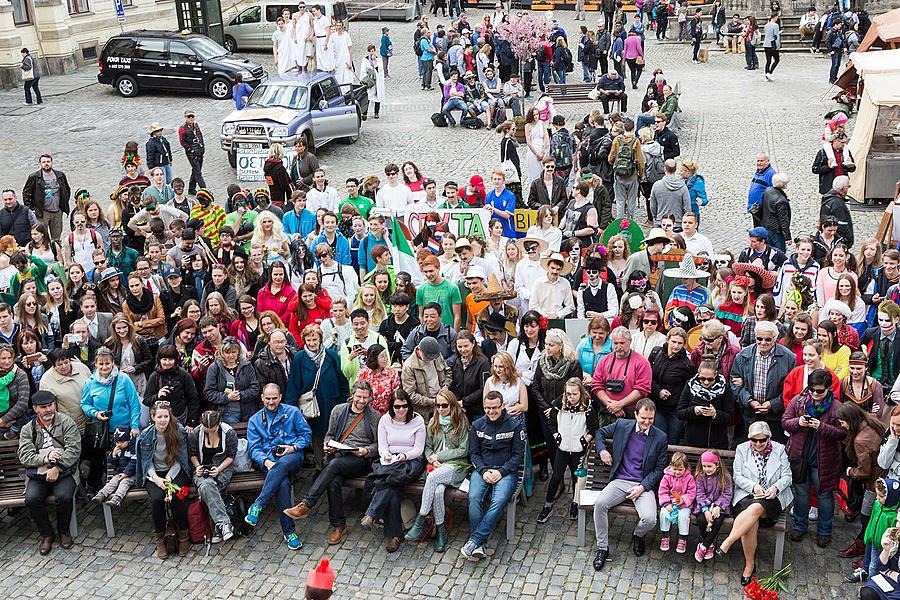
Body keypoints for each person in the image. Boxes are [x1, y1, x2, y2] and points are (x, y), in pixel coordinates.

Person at [283, 380, 380, 544]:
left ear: (370, 397)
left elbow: (379, 444)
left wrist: (366, 451)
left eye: (365, 397)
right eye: (358, 396)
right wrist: (328, 445)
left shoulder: (375, 417)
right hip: (339, 455)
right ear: (352, 395)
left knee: (333, 466)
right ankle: (339, 525)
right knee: (333, 481)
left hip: (360, 460)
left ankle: (306, 504)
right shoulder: (338, 410)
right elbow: (329, 435)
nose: (361, 401)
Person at [591, 398, 668, 571]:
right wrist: (602, 450)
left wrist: (642, 487)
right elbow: (599, 433)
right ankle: (602, 547)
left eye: (651, 419)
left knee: (649, 519)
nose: (647, 422)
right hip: (620, 480)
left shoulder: (660, 437)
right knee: (600, 504)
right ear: (635, 415)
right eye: (643, 418)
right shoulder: (621, 425)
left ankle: (637, 535)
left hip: (642, 484)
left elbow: (660, 468)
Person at [245, 383, 312, 550]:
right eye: (267, 398)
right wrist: (267, 463)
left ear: (280, 397)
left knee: (284, 464)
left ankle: (258, 504)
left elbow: (306, 435)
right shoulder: (254, 420)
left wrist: (293, 447)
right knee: (282, 483)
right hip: (268, 462)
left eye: (274, 398)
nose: (271, 402)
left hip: (292, 457)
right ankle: (289, 532)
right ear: (262, 398)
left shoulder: (293, 412)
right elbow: (254, 449)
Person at [782, 368, 843, 547]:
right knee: (801, 494)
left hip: (824, 460)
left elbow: (842, 433)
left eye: (820, 391)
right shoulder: (799, 401)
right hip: (800, 457)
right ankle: (800, 526)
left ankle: (824, 530)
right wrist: (798, 422)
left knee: (825, 496)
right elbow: (785, 421)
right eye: (812, 390)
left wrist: (821, 427)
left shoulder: (836, 407)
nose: (815, 394)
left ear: (827, 389)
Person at [461, 390, 525, 560]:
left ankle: (475, 540)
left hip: (506, 472)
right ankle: (479, 545)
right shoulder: (477, 425)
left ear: (502, 406)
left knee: (498, 501)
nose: (491, 412)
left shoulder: (514, 425)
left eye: (495, 408)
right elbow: (473, 454)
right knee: (474, 498)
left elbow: (518, 456)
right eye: (487, 408)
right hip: (482, 470)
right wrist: (483, 471)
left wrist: (501, 471)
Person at [404, 389, 471, 551]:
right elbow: (427, 448)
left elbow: (463, 451)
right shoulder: (433, 422)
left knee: (432, 478)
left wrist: (439, 457)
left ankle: (420, 520)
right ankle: (441, 532)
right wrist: (433, 460)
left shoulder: (461, 422)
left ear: (452, 405)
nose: (440, 409)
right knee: (438, 492)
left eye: (444, 405)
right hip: (436, 467)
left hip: (456, 466)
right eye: (438, 405)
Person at [360, 391, 426, 552]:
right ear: (392, 407)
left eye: (404, 406)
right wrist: (387, 455)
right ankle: (396, 535)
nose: (401, 410)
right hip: (390, 461)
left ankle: (372, 513)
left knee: (388, 480)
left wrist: (404, 455)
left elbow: (418, 449)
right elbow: (382, 446)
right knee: (392, 487)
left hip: (411, 461)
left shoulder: (417, 421)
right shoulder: (385, 420)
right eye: (397, 406)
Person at [17, 390, 80, 555]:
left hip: (64, 471)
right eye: (43, 407)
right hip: (38, 474)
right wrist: (45, 459)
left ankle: (64, 532)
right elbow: (25, 456)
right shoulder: (27, 429)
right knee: (31, 499)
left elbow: (74, 450)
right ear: (35, 408)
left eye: (50, 405)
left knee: (64, 496)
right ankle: (46, 535)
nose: (48, 410)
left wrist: (57, 468)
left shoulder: (67, 422)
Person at [285, 323, 349, 468]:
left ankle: (335, 469)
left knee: (334, 437)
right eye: (309, 340)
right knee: (317, 438)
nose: (312, 343)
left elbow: (342, 381)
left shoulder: (331, 355)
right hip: (312, 409)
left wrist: (342, 402)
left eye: (315, 339)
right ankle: (321, 468)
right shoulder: (299, 358)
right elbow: (294, 385)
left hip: (332, 405)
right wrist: (292, 409)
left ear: (320, 339)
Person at [135, 400, 192, 559]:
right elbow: (146, 463)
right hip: (154, 473)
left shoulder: (178, 431)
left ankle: (183, 536)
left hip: (174, 470)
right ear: (152, 417)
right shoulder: (146, 436)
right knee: (158, 499)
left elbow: (181, 459)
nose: (163, 420)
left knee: (176, 496)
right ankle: (160, 539)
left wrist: (169, 477)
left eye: (166, 416)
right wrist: (156, 479)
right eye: (159, 416)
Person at [538, 378, 598, 523]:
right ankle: (548, 505)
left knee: (577, 477)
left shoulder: (588, 408)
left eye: (574, 394)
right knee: (556, 477)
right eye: (568, 394)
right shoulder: (558, 405)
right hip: (563, 448)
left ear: (581, 393)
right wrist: (556, 436)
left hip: (578, 450)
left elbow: (594, 428)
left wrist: (585, 440)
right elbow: (551, 423)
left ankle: (575, 503)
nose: (571, 397)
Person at [730, 320, 795, 442]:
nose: (763, 342)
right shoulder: (743, 355)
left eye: (768, 339)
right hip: (750, 414)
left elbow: (791, 389)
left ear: (775, 338)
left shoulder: (789, 358)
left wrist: (773, 404)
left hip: (776, 416)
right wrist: (749, 401)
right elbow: (734, 384)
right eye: (759, 338)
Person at [189, 410, 238, 543]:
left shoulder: (229, 433)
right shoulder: (196, 433)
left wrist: (219, 469)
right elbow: (193, 454)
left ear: (219, 424)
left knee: (209, 488)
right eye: (206, 430)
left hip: (223, 467)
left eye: (212, 430)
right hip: (202, 467)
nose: (209, 433)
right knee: (207, 485)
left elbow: (231, 457)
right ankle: (224, 524)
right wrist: (198, 466)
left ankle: (218, 528)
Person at [590, 326, 653, 419]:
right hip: (606, 410)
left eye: (622, 343)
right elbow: (596, 385)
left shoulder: (642, 362)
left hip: (630, 413)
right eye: (616, 343)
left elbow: (642, 390)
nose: (619, 347)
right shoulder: (604, 360)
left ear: (630, 341)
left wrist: (620, 404)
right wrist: (611, 405)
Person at [204, 336, 261, 425]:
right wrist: (227, 397)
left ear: (238, 352)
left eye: (234, 352)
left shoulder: (247, 365)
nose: (231, 355)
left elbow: (255, 388)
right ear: (221, 352)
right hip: (226, 412)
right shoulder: (214, 368)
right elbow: (209, 393)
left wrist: (240, 395)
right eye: (227, 352)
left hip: (248, 411)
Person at [693, 449, 734, 562]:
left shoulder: (725, 476)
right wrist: (705, 509)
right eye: (704, 466)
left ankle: (704, 546)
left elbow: (727, 494)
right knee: (701, 519)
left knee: (717, 520)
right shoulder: (700, 476)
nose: (706, 469)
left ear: (717, 464)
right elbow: (699, 493)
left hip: (719, 506)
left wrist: (718, 506)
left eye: (709, 466)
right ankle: (709, 545)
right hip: (703, 505)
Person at [22, 154, 71, 242]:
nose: (46, 164)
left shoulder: (60, 175)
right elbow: (26, 193)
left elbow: (67, 190)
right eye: (44, 162)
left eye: (48, 162)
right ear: (40, 164)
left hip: (57, 211)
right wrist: (31, 208)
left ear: (52, 162)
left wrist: (63, 203)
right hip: (42, 212)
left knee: (56, 239)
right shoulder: (34, 177)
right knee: (42, 238)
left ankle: (56, 254)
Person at [401, 337, 450, 420]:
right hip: (425, 412)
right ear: (419, 350)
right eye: (427, 357)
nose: (431, 359)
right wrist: (433, 401)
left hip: (442, 403)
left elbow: (448, 372)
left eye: (433, 358)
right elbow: (410, 395)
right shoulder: (409, 367)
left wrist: (446, 386)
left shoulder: (436, 356)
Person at [759, 173, 792, 252]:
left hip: (766, 226)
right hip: (776, 231)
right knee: (780, 253)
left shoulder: (767, 190)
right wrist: (788, 237)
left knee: (768, 251)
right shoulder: (781, 201)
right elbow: (783, 220)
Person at [819, 175, 854, 249]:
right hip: (837, 240)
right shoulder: (837, 204)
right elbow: (842, 224)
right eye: (848, 186)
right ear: (842, 188)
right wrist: (849, 240)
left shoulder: (828, 198)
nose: (848, 189)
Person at [177, 110, 205, 196]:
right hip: (191, 153)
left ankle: (191, 188)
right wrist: (191, 150)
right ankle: (204, 190)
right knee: (198, 172)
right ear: (185, 117)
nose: (191, 118)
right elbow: (182, 142)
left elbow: (200, 136)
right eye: (189, 117)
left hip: (199, 150)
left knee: (196, 170)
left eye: (192, 116)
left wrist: (203, 147)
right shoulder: (182, 128)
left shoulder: (196, 126)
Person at [762, 13, 781, 80]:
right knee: (777, 60)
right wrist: (778, 45)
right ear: (774, 17)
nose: (777, 18)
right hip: (772, 44)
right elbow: (776, 36)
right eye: (777, 17)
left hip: (766, 44)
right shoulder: (776, 25)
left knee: (768, 61)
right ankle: (770, 73)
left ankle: (767, 74)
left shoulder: (766, 25)